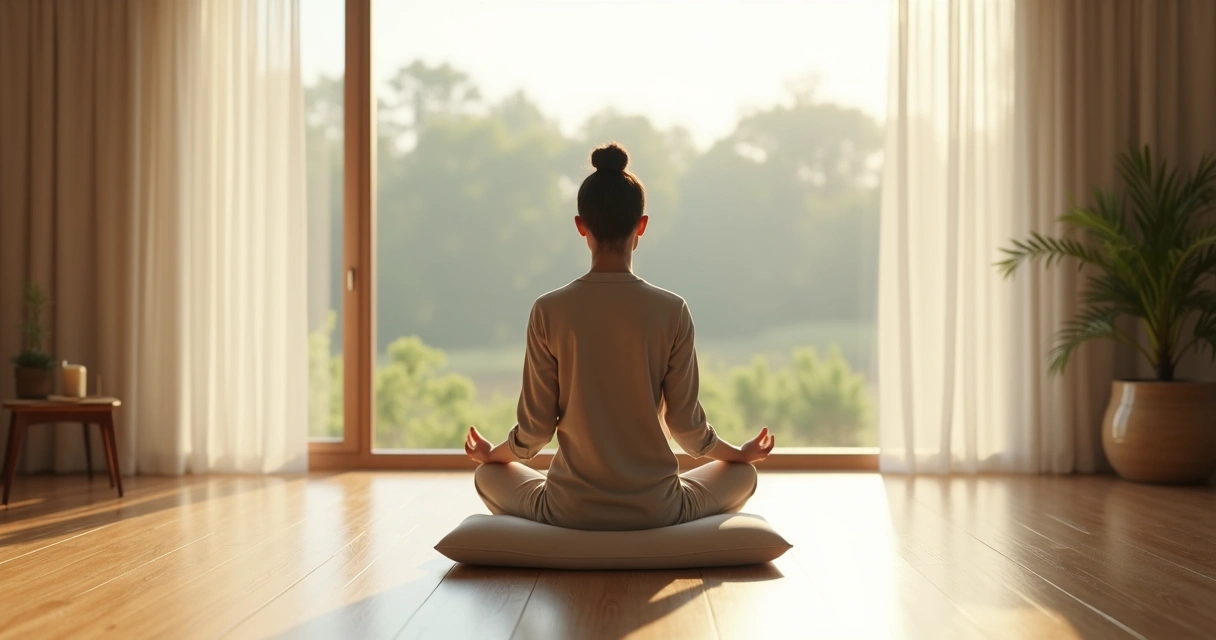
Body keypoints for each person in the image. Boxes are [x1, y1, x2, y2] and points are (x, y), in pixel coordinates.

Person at [464, 142, 774, 531]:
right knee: (742, 475)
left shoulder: (549, 309)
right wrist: (739, 454)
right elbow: (687, 429)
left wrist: (493, 454)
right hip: (658, 509)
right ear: (641, 225)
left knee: (487, 476)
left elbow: (536, 430)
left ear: (581, 226)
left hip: (568, 510)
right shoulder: (671, 309)